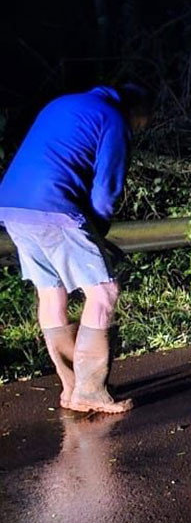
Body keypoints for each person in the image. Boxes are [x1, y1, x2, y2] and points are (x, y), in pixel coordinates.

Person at [0, 83, 152, 414]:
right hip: (53, 205)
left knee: (51, 293)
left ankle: (72, 387)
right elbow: (106, 188)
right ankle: (90, 390)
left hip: (10, 205)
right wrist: (98, 231)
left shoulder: (62, 103)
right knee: (103, 291)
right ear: (136, 112)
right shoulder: (113, 118)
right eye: (140, 124)